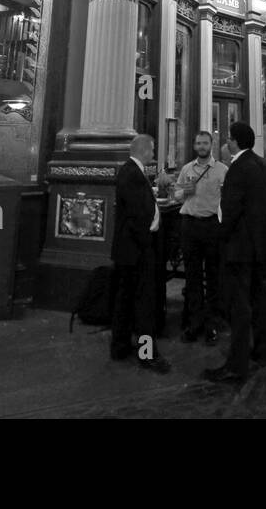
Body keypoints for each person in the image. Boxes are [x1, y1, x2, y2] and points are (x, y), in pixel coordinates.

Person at [204, 122, 266, 384]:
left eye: (228, 139)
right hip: (261, 244)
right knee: (261, 299)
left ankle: (237, 364)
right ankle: (262, 351)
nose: (226, 142)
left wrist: (220, 237)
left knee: (239, 305)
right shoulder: (261, 164)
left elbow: (231, 210)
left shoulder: (237, 168)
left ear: (234, 142)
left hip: (241, 247)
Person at [110, 134, 170, 374]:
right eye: (152, 149)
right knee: (144, 302)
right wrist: (149, 241)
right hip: (137, 250)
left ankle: (121, 346)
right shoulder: (133, 174)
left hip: (128, 249)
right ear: (144, 151)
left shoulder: (131, 172)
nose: (154, 154)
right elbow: (139, 215)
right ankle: (147, 354)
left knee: (125, 299)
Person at [175, 131, 228, 344]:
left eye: (205, 143)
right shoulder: (187, 169)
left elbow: (227, 200)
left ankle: (211, 324)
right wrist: (184, 192)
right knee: (192, 276)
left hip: (212, 226)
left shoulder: (223, 170)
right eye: (198, 143)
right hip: (190, 226)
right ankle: (194, 323)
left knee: (213, 277)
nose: (202, 146)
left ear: (211, 145)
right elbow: (176, 195)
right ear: (195, 146)